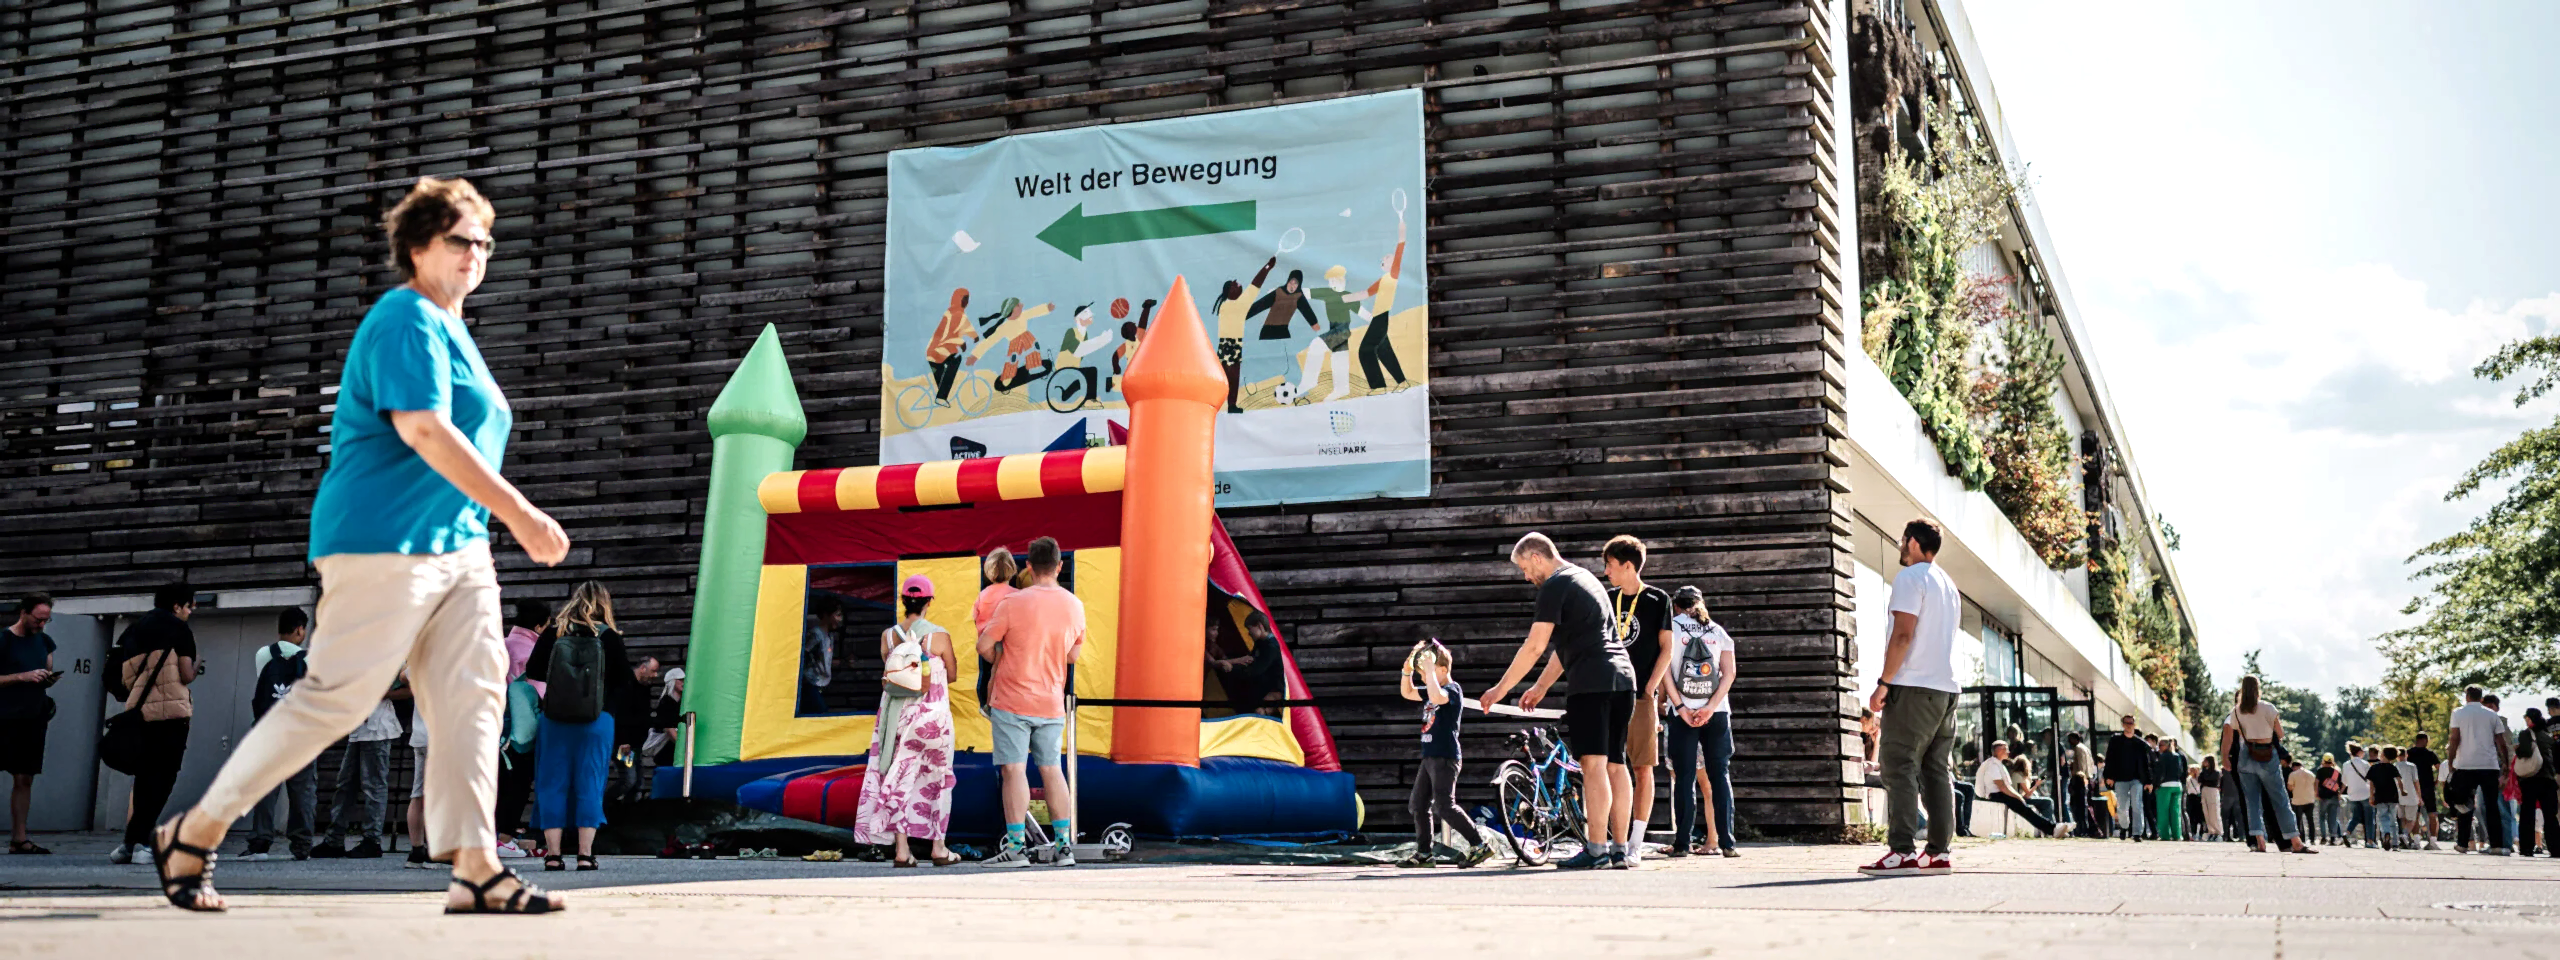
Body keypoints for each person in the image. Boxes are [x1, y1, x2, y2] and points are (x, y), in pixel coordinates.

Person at [154, 177, 570, 914]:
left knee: (474, 701)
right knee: (336, 698)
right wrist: (520, 513)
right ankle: (195, 830)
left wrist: (487, 525)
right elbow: (422, 429)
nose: (477, 253)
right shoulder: (403, 319)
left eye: (485, 241)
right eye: (460, 240)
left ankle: (475, 867)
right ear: (417, 249)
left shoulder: (457, 331)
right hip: (382, 541)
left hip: (460, 548)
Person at [1479, 533, 1639, 870]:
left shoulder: (1554, 585)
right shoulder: (1586, 579)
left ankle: (1596, 850)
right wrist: (1538, 687)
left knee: (1594, 765)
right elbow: (1566, 650)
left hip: (1591, 683)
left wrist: (1500, 689)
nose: (1526, 576)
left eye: (1525, 568)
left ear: (1537, 557)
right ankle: (1621, 849)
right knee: (1616, 763)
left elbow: (1535, 646)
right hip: (1623, 680)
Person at [1858, 519, 1962, 876]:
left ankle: (1901, 851)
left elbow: (1903, 635)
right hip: (1946, 690)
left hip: (1913, 686)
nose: (1900, 547)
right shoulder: (1947, 584)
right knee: (1936, 770)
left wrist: (1884, 682)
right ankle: (1938, 853)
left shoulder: (1910, 578)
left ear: (1914, 543)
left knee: (1898, 765)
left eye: (1903, 541)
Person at [978, 536, 1084, 868]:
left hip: (1011, 699)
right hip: (1051, 700)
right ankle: (1064, 848)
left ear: (1027, 566)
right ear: (1059, 565)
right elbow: (1072, 655)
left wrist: (1002, 656)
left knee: (1013, 771)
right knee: (1052, 770)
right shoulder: (1074, 606)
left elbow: (984, 645)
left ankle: (1016, 849)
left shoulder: (1012, 604)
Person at [854, 575, 959, 867]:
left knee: (899, 779)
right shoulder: (938, 636)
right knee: (938, 777)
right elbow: (951, 674)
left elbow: (895, 676)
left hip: (895, 717)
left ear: (903, 601)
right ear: (929, 602)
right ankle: (938, 847)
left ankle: (902, 851)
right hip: (932, 715)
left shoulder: (888, 637)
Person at [529, 581, 630, 873]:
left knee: (552, 784)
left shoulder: (553, 632)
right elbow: (624, 679)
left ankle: (553, 855)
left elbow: (534, 671)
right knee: (590, 783)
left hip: (555, 718)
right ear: (604, 604)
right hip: (597, 720)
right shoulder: (608, 636)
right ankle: (585, 855)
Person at [111, 585, 199, 867]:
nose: (191, 610)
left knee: (144, 779)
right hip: (171, 716)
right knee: (162, 780)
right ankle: (142, 844)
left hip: (140, 714)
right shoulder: (180, 630)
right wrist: (196, 668)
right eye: (189, 605)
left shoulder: (136, 629)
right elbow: (185, 675)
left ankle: (128, 844)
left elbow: (124, 680)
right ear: (176, 606)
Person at [1601, 535, 1672, 863]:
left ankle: (1635, 843)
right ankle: (1612, 839)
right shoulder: (1606, 598)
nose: (1606, 573)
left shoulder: (1658, 600)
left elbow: (1667, 648)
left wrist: (1650, 690)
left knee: (1642, 768)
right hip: (1609, 693)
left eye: (1610, 566)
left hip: (1641, 696)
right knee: (1610, 766)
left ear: (1628, 566)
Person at [1397, 638, 1492, 867]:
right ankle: (1424, 853)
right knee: (1418, 805)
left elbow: (1439, 697)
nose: (1423, 676)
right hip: (1430, 757)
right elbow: (1407, 692)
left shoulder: (1453, 689)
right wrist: (1407, 670)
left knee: (1444, 805)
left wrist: (1428, 669)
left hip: (1446, 757)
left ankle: (1479, 845)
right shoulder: (1431, 689)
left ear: (1442, 669)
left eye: (1428, 672)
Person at [1662, 586, 1738, 858]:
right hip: (1716, 713)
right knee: (1720, 775)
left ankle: (1682, 843)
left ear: (1677, 606)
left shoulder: (1671, 629)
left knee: (1684, 778)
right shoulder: (1719, 632)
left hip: (1681, 712)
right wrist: (1710, 707)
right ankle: (1727, 842)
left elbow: (1664, 671)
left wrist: (1681, 707)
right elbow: (1728, 675)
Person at [244, 608, 318, 861]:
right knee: (303, 791)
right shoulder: (311, 659)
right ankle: (301, 846)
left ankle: (260, 843)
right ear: (300, 629)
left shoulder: (263, 655)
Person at [2220, 676, 2315, 854]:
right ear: (2258, 689)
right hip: (2266, 754)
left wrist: (2225, 757)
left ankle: (2260, 841)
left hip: (2246, 756)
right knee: (2280, 799)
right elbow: (2280, 734)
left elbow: (2228, 736)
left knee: (2252, 802)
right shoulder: (2268, 707)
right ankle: (2295, 841)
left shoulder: (2236, 711)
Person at [312, 678, 403, 860]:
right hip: (359, 727)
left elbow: (410, 688)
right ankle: (335, 839)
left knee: (374, 786)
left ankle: (372, 840)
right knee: (346, 784)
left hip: (377, 727)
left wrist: (377, 695)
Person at [1, 593, 59, 856]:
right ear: (23, 612)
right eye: (38, 619)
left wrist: (47, 679)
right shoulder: (4, 639)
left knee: (24, 777)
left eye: (46, 620)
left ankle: (19, 839)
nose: (41, 625)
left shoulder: (45, 641)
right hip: (4, 716)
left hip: (32, 717)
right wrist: (22, 677)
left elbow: (46, 668)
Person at [494, 598, 550, 859]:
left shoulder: (502, 644)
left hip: (495, 724)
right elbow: (539, 690)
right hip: (520, 729)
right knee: (518, 784)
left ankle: (494, 835)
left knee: (497, 783)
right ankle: (504, 838)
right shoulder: (532, 651)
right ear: (539, 625)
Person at [2446, 685, 2512, 855]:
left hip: (2465, 764)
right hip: (2488, 765)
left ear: (2467, 696)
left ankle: (2463, 844)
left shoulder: (2458, 713)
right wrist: (2505, 764)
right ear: (2481, 698)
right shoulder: (2491, 715)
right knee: (2492, 806)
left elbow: (2454, 738)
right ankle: (2497, 845)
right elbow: (2501, 741)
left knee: (2464, 805)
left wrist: (2451, 761)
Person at [972, 548, 1022, 711]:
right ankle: (991, 705)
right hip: (1006, 641)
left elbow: (975, 617)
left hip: (987, 643)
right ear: (1012, 570)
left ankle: (989, 704)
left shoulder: (983, 594)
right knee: (998, 672)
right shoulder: (1017, 595)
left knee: (992, 671)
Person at [1973, 741, 2055, 836]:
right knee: (2024, 809)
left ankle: (2051, 828)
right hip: (1997, 795)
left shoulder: (1997, 764)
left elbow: (2005, 786)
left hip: (2000, 794)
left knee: (2025, 809)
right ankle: (2051, 829)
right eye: (2006, 749)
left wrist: (2018, 797)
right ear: (1999, 750)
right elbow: (2002, 787)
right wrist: (2018, 797)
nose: (2008, 752)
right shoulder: (1992, 766)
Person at [607, 657, 659, 803]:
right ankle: (604, 805)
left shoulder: (643, 687)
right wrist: (623, 741)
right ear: (643, 668)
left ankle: (625, 813)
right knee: (629, 779)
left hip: (634, 743)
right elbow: (621, 714)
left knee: (636, 782)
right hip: (625, 744)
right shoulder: (626, 686)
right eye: (653, 671)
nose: (655, 675)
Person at [2520, 707, 2560, 857]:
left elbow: (2524, 752)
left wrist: (2517, 749)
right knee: (2550, 816)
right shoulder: (2548, 736)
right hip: (2548, 779)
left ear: (2529, 719)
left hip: (2530, 779)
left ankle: (2526, 848)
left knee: (2527, 815)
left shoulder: (2526, 734)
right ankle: (2555, 848)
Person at [2102, 715, 2149, 841]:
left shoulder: (2140, 743)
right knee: (2122, 806)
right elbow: (2110, 758)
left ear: (2134, 725)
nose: (2129, 725)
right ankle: (2124, 827)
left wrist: (2148, 781)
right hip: (2120, 778)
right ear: (2122, 724)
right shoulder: (2115, 740)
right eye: (2126, 723)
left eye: (2131, 723)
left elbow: (2146, 763)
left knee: (2137, 804)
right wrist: (2109, 776)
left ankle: (2137, 833)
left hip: (2136, 779)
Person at [799, 593, 844, 715]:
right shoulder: (816, 635)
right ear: (826, 615)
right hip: (810, 685)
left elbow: (823, 660)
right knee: (821, 713)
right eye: (837, 615)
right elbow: (804, 655)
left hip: (820, 686)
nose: (840, 619)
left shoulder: (829, 636)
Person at [2406, 733, 2442, 850]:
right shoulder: (2430, 754)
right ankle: (2433, 841)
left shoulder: (2409, 753)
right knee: (2432, 814)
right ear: (2425, 740)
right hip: (2428, 787)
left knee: (2415, 814)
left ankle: (2416, 840)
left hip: (2413, 787)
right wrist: (2437, 781)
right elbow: (2439, 768)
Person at [2368, 745, 2406, 850]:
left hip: (2380, 796)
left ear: (2382, 754)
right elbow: (2399, 780)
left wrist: (2371, 796)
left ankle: (2386, 833)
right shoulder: (2393, 767)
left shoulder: (2374, 767)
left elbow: (2371, 784)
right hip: (2393, 796)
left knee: (2382, 817)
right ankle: (2395, 844)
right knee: (2393, 820)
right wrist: (2402, 791)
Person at [2151, 741, 2187, 841]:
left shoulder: (2163, 757)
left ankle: (2165, 835)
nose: (2159, 747)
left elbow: (2160, 772)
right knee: (2175, 812)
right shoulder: (2177, 756)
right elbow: (2181, 771)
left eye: (2160, 745)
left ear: (2166, 746)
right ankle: (2177, 835)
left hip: (2165, 786)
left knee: (2163, 812)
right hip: (2177, 785)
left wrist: (2156, 784)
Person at [2281, 759, 2313, 847]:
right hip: (2310, 799)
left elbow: (2290, 787)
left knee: (2298, 820)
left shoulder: (2292, 774)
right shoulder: (2311, 774)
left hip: (2297, 800)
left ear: (2294, 766)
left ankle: (2301, 838)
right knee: (2310, 820)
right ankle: (2312, 838)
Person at [2314, 753, 2342, 844]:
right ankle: (2333, 838)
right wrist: (2339, 795)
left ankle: (2323, 837)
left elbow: (2316, 783)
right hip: (2334, 796)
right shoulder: (2336, 772)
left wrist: (2316, 793)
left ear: (2323, 760)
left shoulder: (2320, 771)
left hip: (2323, 797)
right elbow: (2340, 785)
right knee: (2333, 818)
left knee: (2322, 817)